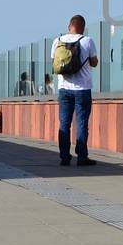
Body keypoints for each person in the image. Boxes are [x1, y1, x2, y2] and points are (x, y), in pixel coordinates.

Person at [53, 14, 100, 166]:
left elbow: (55, 63)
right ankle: (81, 157)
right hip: (82, 89)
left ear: (69, 26)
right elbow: (94, 63)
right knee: (81, 123)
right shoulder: (87, 40)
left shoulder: (57, 41)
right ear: (83, 27)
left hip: (64, 89)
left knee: (64, 124)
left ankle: (64, 157)